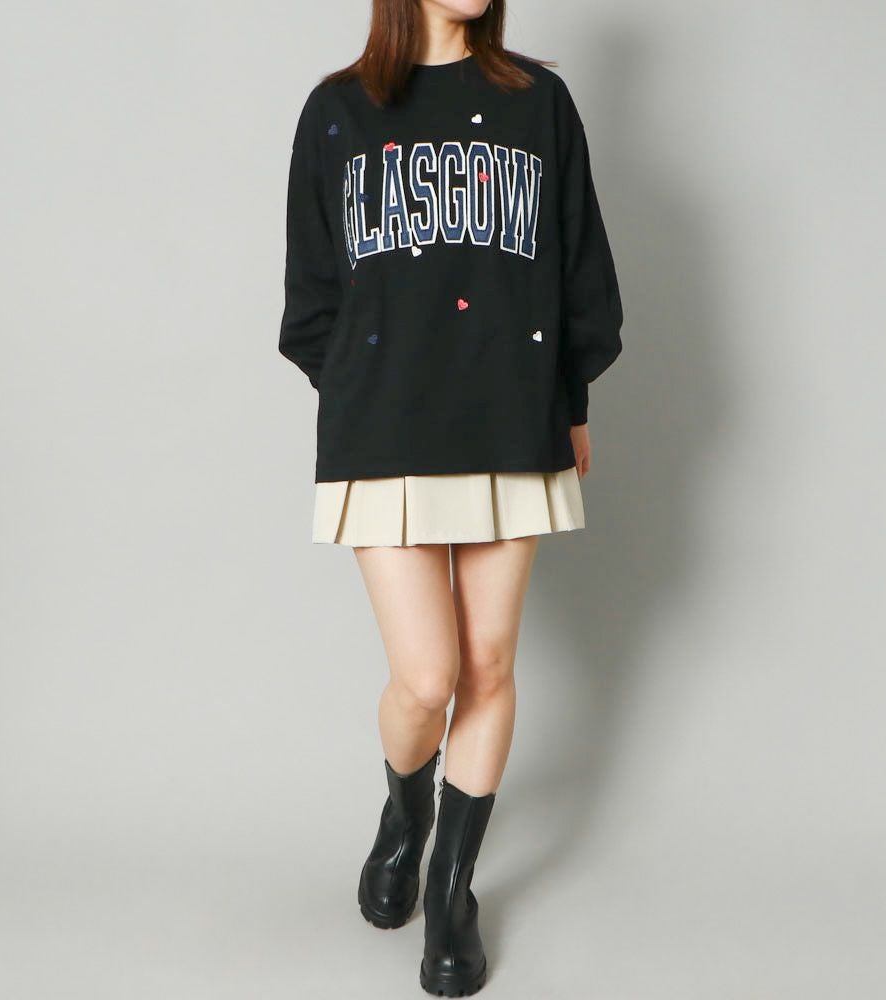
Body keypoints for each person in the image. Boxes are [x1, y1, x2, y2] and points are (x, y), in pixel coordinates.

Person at [278, 0, 623, 994]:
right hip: (384, 428)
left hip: (511, 416)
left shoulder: (539, 103)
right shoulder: (338, 112)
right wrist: (368, 392)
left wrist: (568, 402)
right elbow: (312, 297)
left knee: (488, 661)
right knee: (426, 678)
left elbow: (577, 267)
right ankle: (406, 810)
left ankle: (451, 891)